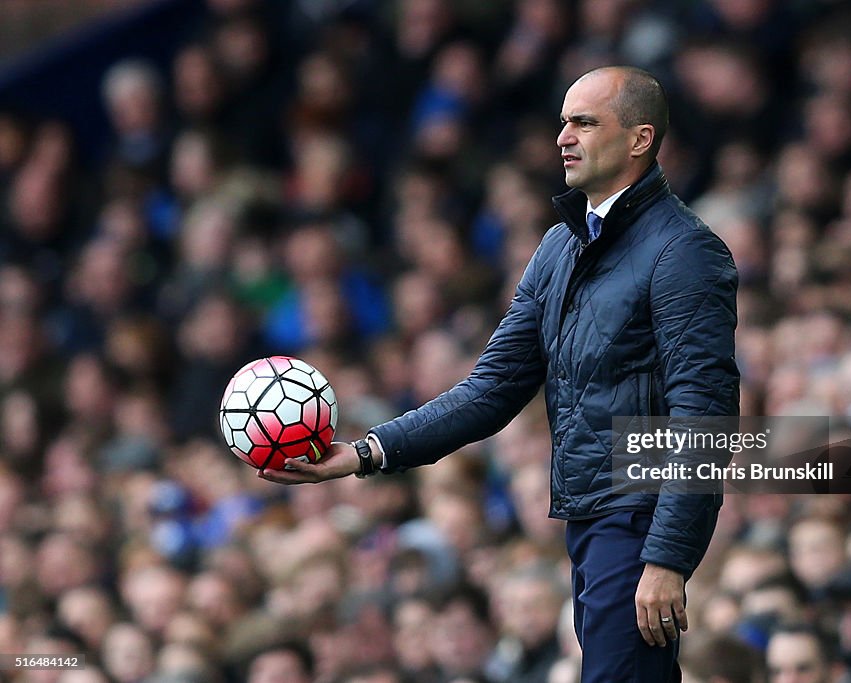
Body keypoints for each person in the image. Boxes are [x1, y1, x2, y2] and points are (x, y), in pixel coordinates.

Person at [260, 65, 740, 682]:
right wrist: (366, 452)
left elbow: (706, 413)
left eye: (585, 123)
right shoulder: (558, 249)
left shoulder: (685, 251)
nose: (563, 137)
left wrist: (668, 557)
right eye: (562, 122)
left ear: (640, 139)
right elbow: (491, 389)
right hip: (593, 516)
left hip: (637, 516)